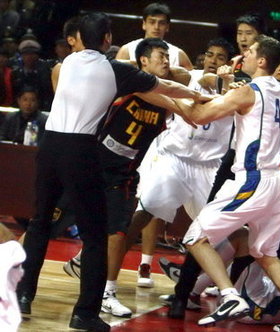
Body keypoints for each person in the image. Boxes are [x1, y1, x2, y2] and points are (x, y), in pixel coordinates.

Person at [15, 12, 204, 332]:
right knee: (94, 237)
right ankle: (85, 312)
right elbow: (169, 86)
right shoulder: (115, 70)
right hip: (81, 150)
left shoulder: (68, 63)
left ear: (77, 39)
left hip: (49, 148)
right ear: (106, 39)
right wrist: (199, 95)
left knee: (39, 224)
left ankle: (22, 296)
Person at [62, 37, 199, 318]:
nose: (166, 60)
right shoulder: (124, 81)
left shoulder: (166, 93)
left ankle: (106, 292)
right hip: (90, 162)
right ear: (143, 61)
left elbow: (187, 75)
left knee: (118, 233)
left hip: (122, 173)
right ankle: (16, 268)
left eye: (168, 56)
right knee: (48, 221)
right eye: (160, 55)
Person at [175, 35, 280, 331]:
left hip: (253, 178)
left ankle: (229, 295)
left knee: (195, 237)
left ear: (262, 61)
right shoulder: (279, 91)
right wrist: (228, 88)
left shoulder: (249, 91)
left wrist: (165, 95)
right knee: (266, 254)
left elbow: (198, 115)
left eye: (250, 51)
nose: (243, 54)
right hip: (277, 182)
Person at [130, 37, 234, 288]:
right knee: (145, 210)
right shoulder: (188, 77)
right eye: (210, 55)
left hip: (209, 167)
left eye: (220, 57)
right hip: (174, 158)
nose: (213, 61)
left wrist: (228, 82)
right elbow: (146, 71)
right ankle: (100, 264)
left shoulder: (238, 90)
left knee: (225, 235)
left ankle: (197, 287)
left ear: (229, 63)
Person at [116, 2, 193, 69]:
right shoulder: (127, 50)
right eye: (152, 22)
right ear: (144, 24)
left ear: (167, 27)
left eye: (161, 23)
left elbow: (191, 82)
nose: (156, 27)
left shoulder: (178, 54)